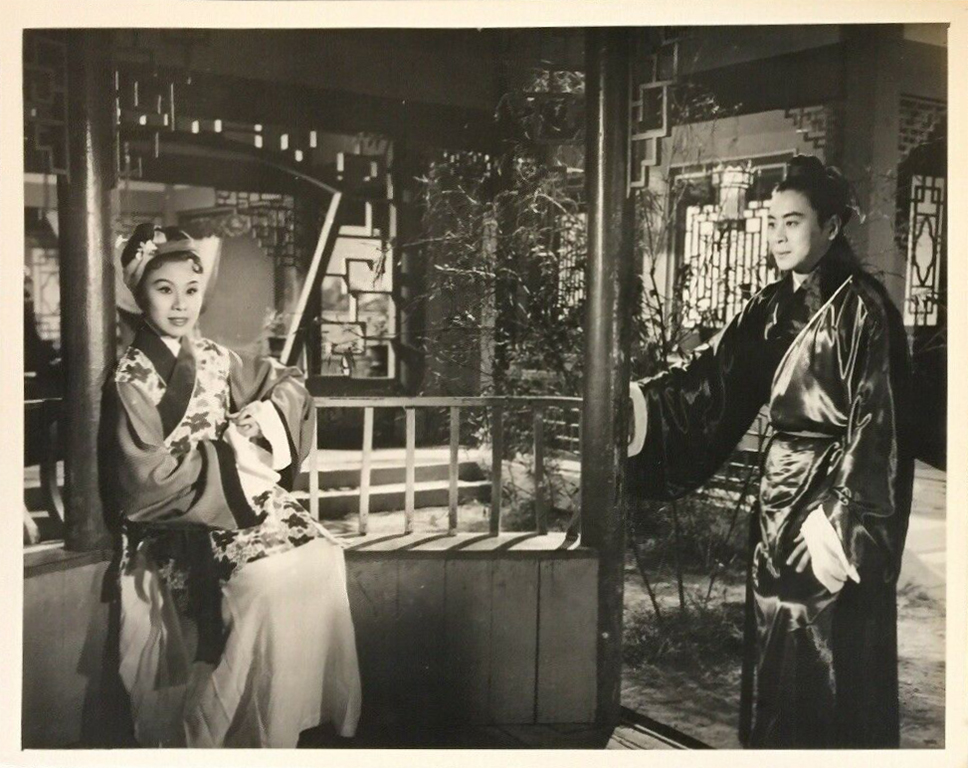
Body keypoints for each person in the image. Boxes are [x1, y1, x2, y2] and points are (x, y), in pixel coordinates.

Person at [627, 155, 914, 748]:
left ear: (830, 226)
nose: (779, 236)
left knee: (824, 647)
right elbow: (713, 375)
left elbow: (879, 422)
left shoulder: (864, 308)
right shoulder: (770, 305)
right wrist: (641, 404)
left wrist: (843, 518)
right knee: (773, 645)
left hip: (829, 503)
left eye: (794, 222)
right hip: (777, 501)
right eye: (773, 223)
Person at [105, 224, 361, 747]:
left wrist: (261, 418)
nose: (181, 304)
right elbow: (144, 484)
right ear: (138, 295)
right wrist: (227, 456)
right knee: (266, 584)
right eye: (164, 289)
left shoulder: (214, 358)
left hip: (233, 493)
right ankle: (225, 730)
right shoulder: (130, 380)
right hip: (179, 518)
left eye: (191, 290)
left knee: (322, 557)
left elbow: (287, 381)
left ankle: (278, 720)